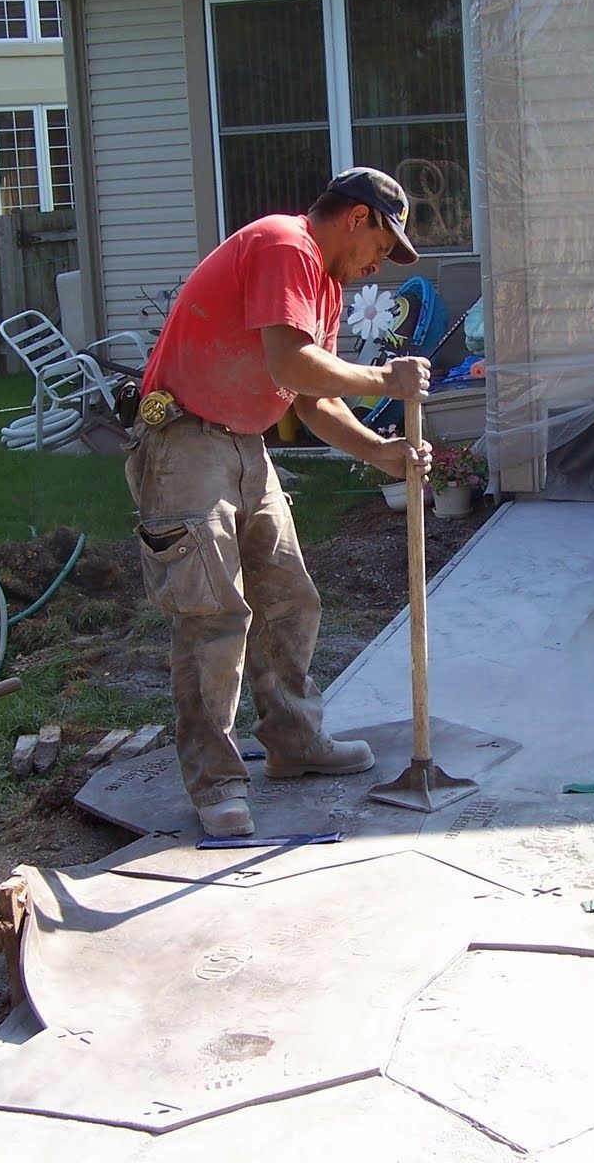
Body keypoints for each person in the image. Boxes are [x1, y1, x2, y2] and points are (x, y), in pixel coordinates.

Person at [124, 167, 433, 837]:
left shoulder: (319, 281)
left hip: (243, 444)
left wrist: (381, 452)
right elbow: (292, 367)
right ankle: (216, 782)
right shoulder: (284, 245)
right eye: (383, 244)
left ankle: (294, 742)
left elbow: (310, 398)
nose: (380, 264)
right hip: (184, 444)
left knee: (289, 597)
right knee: (213, 615)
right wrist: (386, 377)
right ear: (356, 217)